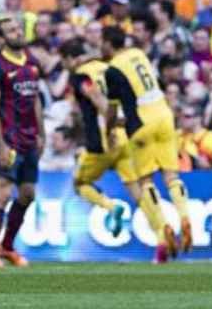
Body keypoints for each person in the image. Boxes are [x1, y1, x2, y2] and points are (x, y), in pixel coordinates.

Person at [102, 26, 193, 264]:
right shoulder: (139, 54)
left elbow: (112, 109)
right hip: (164, 117)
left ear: (108, 45)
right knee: (172, 177)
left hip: (141, 125)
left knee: (146, 182)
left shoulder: (112, 70)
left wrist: (110, 128)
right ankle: (184, 216)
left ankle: (164, 228)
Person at [60, 39, 137, 239]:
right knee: (136, 184)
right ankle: (160, 227)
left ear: (70, 59)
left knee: (80, 184)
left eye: (64, 62)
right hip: (125, 136)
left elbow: (93, 94)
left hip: (103, 139)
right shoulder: (107, 67)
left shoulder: (80, 76)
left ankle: (110, 207)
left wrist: (110, 125)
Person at [0, 17, 43, 269]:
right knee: (3, 193)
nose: (17, 32)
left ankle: (7, 246)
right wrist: (0, 144)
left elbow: (36, 99)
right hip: (8, 139)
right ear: (0, 39)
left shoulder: (32, 62)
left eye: (18, 28)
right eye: (10, 30)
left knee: (28, 195)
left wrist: (42, 133)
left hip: (30, 139)